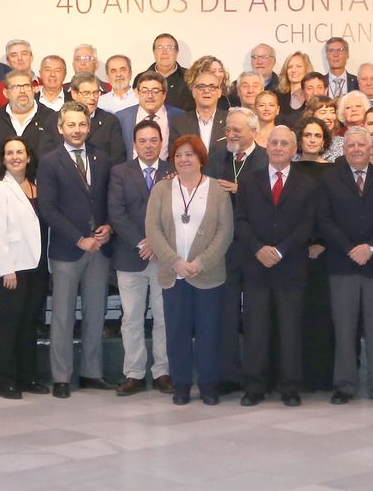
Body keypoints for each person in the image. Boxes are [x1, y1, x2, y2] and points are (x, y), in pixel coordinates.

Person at [146, 135, 234, 405]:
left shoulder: (217, 190)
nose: (184, 159)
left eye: (189, 154)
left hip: (207, 274)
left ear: (200, 158)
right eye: (179, 155)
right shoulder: (161, 189)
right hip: (173, 274)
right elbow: (153, 229)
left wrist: (200, 263)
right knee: (177, 332)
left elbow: (225, 232)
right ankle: (181, 384)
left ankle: (208, 384)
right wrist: (174, 262)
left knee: (209, 332)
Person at [235, 125, 317, 407]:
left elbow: (308, 224)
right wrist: (259, 249)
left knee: (290, 329)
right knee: (256, 328)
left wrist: (280, 250)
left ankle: (290, 387)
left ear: (294, 150)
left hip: (290, 266)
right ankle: (254, 386)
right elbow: (240, 220)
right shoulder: (249, 179)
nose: (279, 147)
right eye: (274, 143)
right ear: (266, 146)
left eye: (285, 143)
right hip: (256, 266)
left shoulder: (307, 183)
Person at [318, 127, 373, 404]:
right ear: (344, 149)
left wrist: (372, 247)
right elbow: (324, 219)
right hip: (342, 264)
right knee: (344, 327)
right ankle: (344, 385)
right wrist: (349, 249)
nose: (355, 149)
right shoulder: (329, 178)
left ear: (370, 149)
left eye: (361, 145)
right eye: (351, 145)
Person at [39, 103, 116, 397]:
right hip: (67, 250)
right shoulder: (49, 161)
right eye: (71, 125)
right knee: (62, 315)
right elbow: (47, 208)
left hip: (99, 248)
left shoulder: (102, 158)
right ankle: (61, 376)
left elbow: (109, 198)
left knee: (96, 313)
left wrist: (109, 226)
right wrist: (77, 238)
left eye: (82, 124)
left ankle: (91, 373)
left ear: (89, 126)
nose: (77, 130)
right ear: (60, 128)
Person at [108, 118, 172, 397]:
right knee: (131, 318)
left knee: (163, 317)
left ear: (161, 143)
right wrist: (141, 242)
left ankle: (163, 372)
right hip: (129, 256)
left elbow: (177, 215)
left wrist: (157, 244)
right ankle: (133, 373)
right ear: (134, 144)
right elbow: (116, 212)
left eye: (153, 140)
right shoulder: (120, 172)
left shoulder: (173, 171)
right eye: (142, 141)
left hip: (164, 257)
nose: (148, 146)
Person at [0, 138, 47, 399]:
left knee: (29, 323)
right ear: (3, 158)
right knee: (9, 324)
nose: (15, 157)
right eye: (10, 153)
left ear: (29, 157)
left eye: (20, 152)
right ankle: (5, 380)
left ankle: (27, 377)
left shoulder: (36, 185)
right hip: (9, 269)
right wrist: (7, 269)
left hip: (35, 265)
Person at [0, 69, 58, 164]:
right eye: (16, 87)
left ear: (33, 90)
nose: (22, 91)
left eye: (27, 86)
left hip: (41, 177)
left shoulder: (51, 118)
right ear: (6, 93)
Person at [66, 72, 128, 161]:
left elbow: (118, 160)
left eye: (95, 92)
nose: (92, 97)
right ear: (74, 94)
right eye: (86, 93)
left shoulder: (110, 122)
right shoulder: (57, 120)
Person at [172, 67, 228, 151]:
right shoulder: (179, 122)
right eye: (201, 87)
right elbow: (174, 155)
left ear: (219, 92)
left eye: (212, 87)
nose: (206, 90)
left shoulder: (230, 120)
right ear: (193, 92)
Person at [0, 39, 38, 110]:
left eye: (24, 54)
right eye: (14, 55)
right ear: (7, 61)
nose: (20, 58)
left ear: (31, 57)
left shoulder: (44, 84)